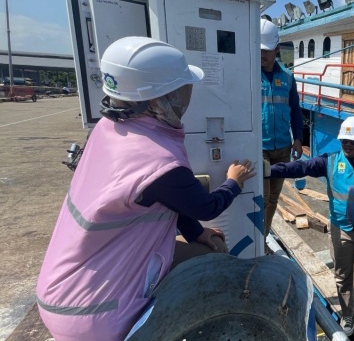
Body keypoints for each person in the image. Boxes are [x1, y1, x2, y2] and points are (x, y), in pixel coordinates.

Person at [36, 36, 256, 341]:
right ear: (157, 100)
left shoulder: (108, 129)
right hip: (93, 312)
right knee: (216, 261)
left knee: (204, 252)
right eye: (182, 90)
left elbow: (164, 199)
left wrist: (196, 233)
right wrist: (233, 181)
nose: (187, 97)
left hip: (61, 287)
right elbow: (205, 207)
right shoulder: (158, 160)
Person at [267, 116, 354, 341]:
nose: (347, 145)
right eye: (344, 140)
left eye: (353, 141)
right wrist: (271, 169)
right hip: (340, 231)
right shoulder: (330, 161)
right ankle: (347, 316)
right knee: (342, 276)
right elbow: (301, 167)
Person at [260, 18, 304, 239]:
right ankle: (258, 242)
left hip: (283, 148)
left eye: (267, 50)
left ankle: (263, 239)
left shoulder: (287, 77)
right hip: (260, 148)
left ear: (277, 48)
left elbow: (295, 110)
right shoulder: (248, 76)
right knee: (263, 198)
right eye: (258, 50)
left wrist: (298, 138)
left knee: (274, 198)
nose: (262, 55)